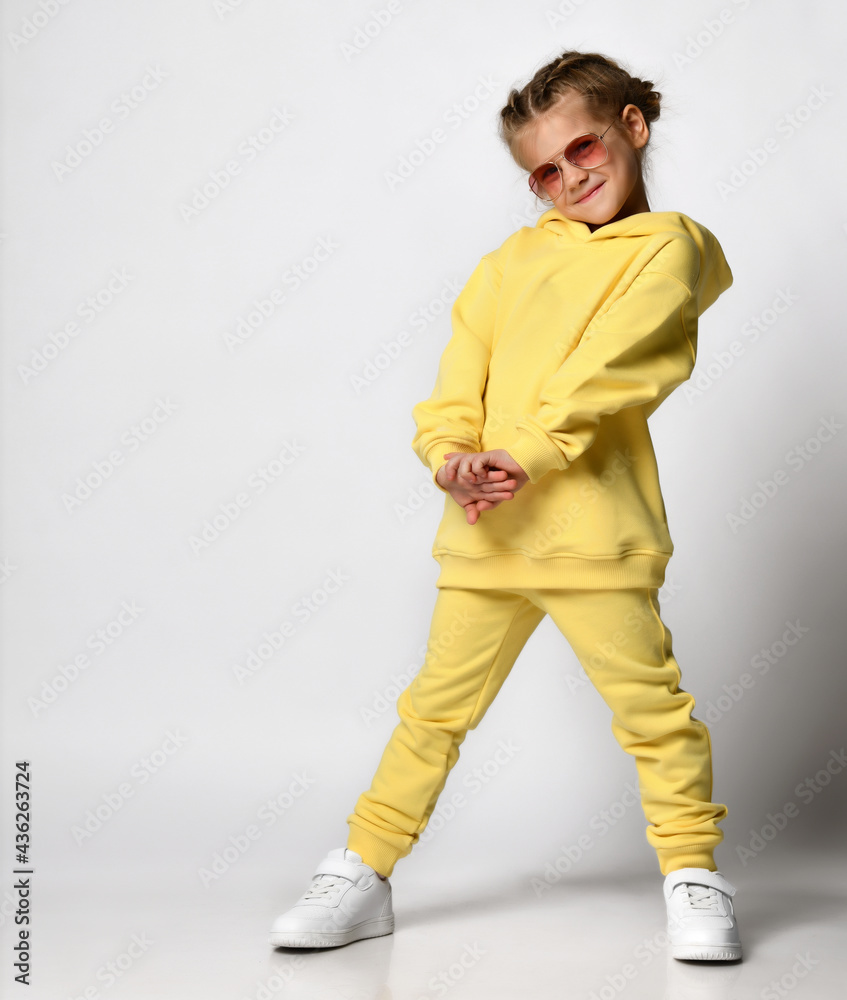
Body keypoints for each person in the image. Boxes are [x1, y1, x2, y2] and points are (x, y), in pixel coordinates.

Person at [270, 49, 742, 962]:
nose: (569, 178)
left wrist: (519, 453)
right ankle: (363, 870)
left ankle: (692, 872)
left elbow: (611, 368)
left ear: (631, 127)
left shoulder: (668, 247)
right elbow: (457, 381)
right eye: (544, 170)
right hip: (488, 535)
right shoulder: (507, 262)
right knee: (431, 713)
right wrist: (448, 458)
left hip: (595, 539)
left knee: (652, 713)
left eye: (583, 148)